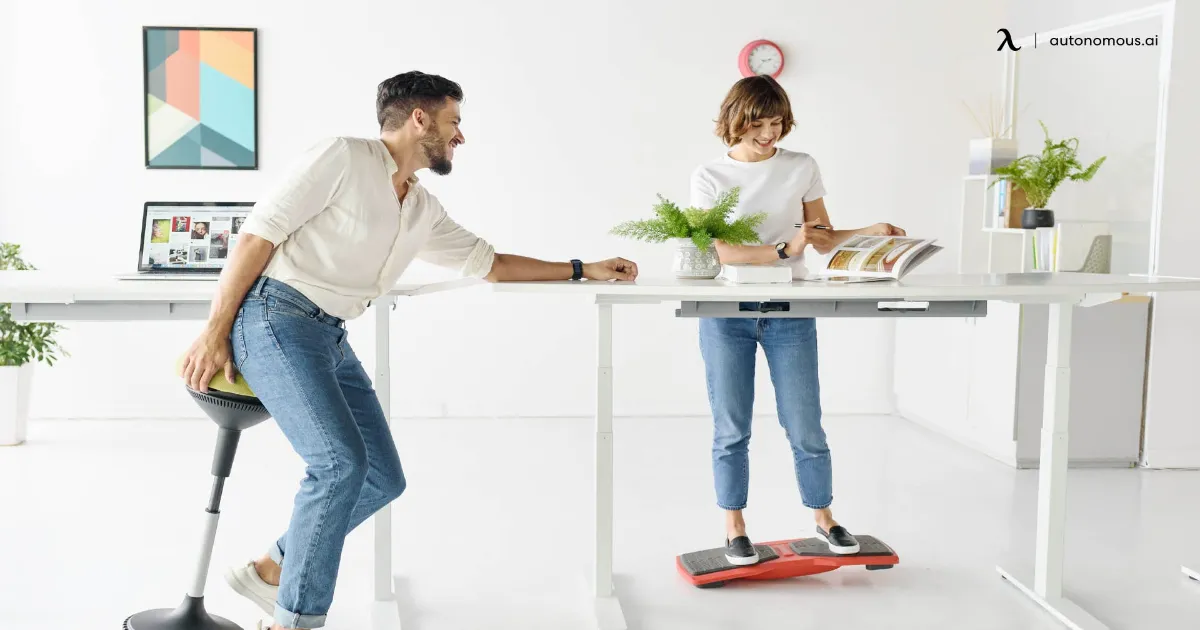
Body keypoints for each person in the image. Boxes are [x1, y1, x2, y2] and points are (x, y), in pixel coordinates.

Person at [179, 70, 638, 630]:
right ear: (420, 119)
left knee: (381, 478)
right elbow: (258, 235)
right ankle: (293, 621)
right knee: (339, 464)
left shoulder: (421, 208)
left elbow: (491, 264)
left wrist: (580, 268)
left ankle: (273, 567)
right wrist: (215, 328)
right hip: (276, 317)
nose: (460, 138)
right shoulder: (342, 157)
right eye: (454, 123)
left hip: (330, 335)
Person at [688, 74, 905, 566]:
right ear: (735, 122)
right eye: (758, 124)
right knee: (731, 426)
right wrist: (785, 249)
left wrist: (869, 231)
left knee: (805, 424)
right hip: (728, 313)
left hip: (789, 310)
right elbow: (719, 251)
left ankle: (824, 518)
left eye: (777, 123)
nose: (769, 134)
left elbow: (820, 237)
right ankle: (735, 527)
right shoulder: (708, 177)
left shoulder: (801, 165)